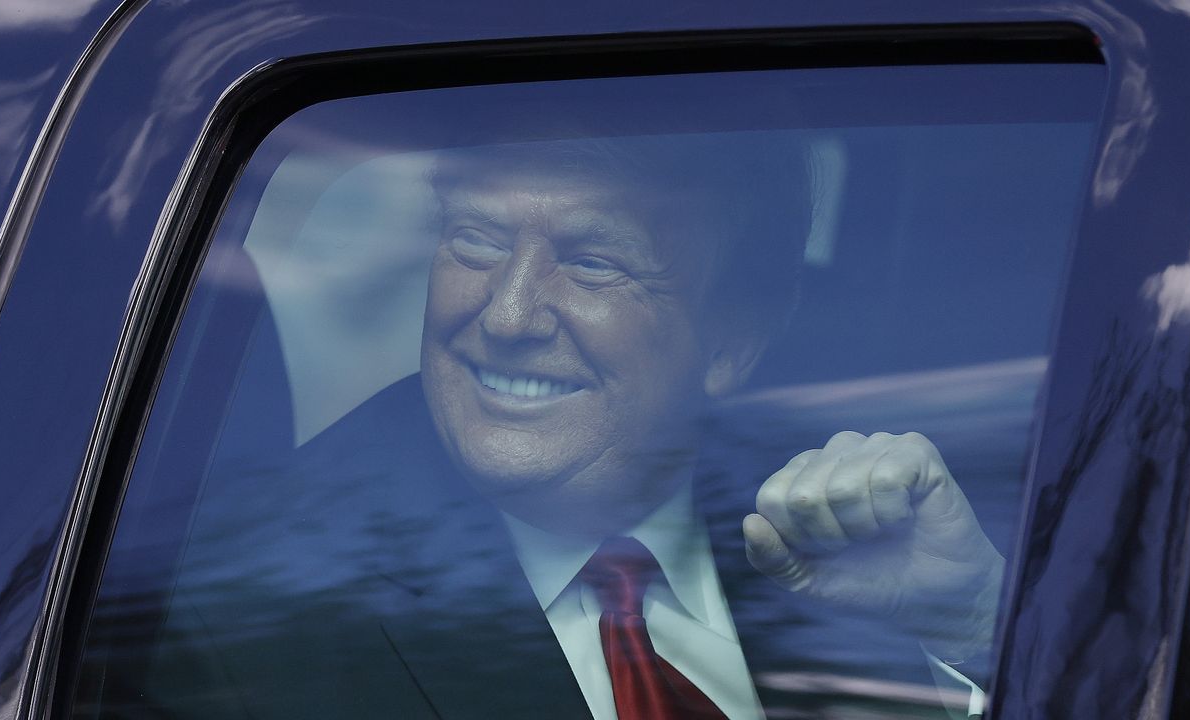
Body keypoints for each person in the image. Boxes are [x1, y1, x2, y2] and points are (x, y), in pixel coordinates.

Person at [138, 133, 1002, 720]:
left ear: (734, 340)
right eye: (475, 239)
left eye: (593, 261)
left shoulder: (839, 527)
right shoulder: (240, 606)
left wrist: (968, 630)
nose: (507, 314)